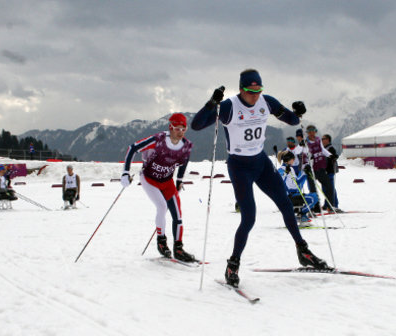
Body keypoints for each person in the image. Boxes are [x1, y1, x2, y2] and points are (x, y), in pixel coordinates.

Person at [191, 68, 330, 287]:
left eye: (258, 90)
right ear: (241, 89)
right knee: (249, 218)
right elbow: (196, 125)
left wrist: (298, 113)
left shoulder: (267, 102)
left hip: (261, 162)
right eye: (249, 91)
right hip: (239, 167)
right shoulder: (229, 107)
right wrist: (211, 103)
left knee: (285, 203)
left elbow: (292, 120)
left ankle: (303, 252)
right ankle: (232, 265)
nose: (254, 95)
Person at [121, 113, 197, 262]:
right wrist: (125, 172)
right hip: (149, 179)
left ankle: (178, 248)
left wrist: (179, 180)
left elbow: (184, 162)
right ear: (170, 127)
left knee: (178, 214)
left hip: (167, 181)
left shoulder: (186, 146)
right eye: (177, 128)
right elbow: (133, 148)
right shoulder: (158, 140)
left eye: (183, 129)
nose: (180, 132)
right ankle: (161, 242)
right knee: (162, 207)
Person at [277, 151, 319, 224]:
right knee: (313, 198)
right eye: (293, 159)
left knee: (314, 196)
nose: (294, 161)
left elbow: (297, 182)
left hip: (295, 195)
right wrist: (285, 173)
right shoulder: (281, 170)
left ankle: (301, 215)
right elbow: (279, 183)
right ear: (289, 159)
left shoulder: (292, 169)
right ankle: (302, 215)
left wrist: (305, 173)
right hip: (288, 197)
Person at [302, 125, 336, 213]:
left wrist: (330, 155)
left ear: (315, 131)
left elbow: (322, 150)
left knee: (329, 186)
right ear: (307, 133)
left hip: (320, 167)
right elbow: (304, 155)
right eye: (309, 132)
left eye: (313, 131)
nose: (311, 133)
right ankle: (315, 207)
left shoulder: (318, 139)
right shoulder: (306, 142)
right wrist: (306, 165)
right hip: (311, 169)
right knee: (313, 190)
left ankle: (330, 206)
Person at [322, 134, 341, 212]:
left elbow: (333, 157)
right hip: (324, 172)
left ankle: (334, 205)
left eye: (324, 139)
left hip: (329, 171)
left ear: (328, 140)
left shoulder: (331, 148)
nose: (322, 140)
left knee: (330, 189)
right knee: (325, 189)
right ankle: (326, 204)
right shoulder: (324, 148)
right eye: (322, 139)